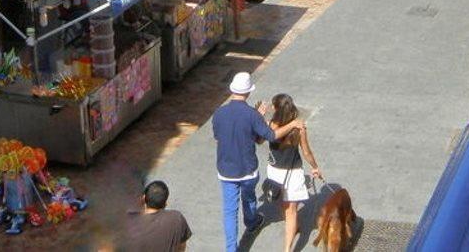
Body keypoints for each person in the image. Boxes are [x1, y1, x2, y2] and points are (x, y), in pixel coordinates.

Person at [213, 72, 305, 251]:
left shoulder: (219, 113)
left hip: (226, 169)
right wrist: (292, 124)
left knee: (230, 211)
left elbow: (218, 139)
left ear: (233, 90)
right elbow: (271, 135)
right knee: (248, 198)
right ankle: (252, 221)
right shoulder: (252, 115)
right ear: (247, 93)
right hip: (248, 169)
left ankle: (231, 248)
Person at [266, 94, 324, 252]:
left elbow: (262, 136)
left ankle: (292, 228)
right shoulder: (299, 128)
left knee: (283, 206)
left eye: (273, 105)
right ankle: (287, 249)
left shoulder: (271, 125)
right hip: (292, 173)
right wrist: (315, 167)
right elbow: (306, 151)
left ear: (277, 108)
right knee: (291, 211)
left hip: (274, 170)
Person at [126, 181, 192, 252]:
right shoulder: (177, 218)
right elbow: (181, 247)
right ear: (165, 203)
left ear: (143, 198)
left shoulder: (128, 221)